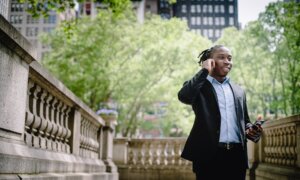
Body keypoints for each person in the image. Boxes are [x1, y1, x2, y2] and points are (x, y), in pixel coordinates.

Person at [177, 45, 262, 180]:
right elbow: (184, 96)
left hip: (237, 157)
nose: (227, 61)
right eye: (221, 57)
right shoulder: (199, 86)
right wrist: (204, 71)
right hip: (208, 156)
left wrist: (251, 130)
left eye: (229, 58)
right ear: (210, 61)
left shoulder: (239, 91)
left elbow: (244, 121)